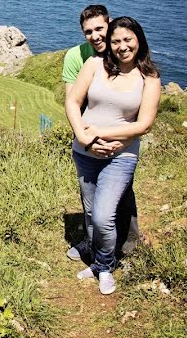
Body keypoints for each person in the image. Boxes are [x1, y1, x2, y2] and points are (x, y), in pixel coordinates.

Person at [65, 16, 161, 294]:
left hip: (122, 155)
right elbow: (72, 101)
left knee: (103, 216)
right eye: (116, 41)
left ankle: (105, 267)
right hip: (85, 151)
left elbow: (144, 124)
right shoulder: (94, 65)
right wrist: (84, 138)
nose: (122, 46)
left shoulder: (149, 77)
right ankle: (97, 261)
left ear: (139, 39)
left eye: (128, 39)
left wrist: (102, 134)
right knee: (92, 212)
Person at [62, 5, 143, 262]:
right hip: (88, 129)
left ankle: (129, 238)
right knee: (91, 196)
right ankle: (92, 242)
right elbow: (72, 100)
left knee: (121, 190)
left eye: (100, 29)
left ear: (109, 24)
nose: (95, 36)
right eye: (89, 31)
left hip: (120, 136)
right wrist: (87, 141)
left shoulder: (124, 51)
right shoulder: (78, 57)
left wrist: (115, 139)